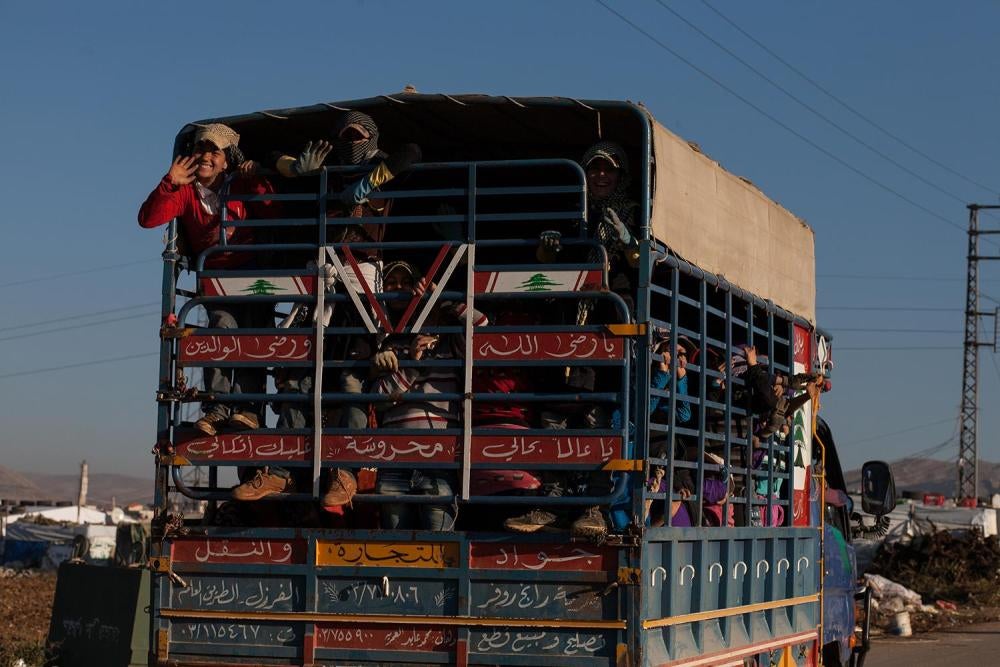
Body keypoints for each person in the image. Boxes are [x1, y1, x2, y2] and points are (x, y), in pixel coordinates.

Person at [138, 123, 278, 442]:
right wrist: (169, 183)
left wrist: (256, 178)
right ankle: (217, 406)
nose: (206, 156)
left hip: (252, 274)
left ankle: (249, 409)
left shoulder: (240, 185)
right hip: (216, 278)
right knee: (220, 330)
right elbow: (148, 219)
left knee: (254, 336)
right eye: (201, 149)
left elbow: (274, 211)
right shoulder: (186, 192)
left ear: (226, 160)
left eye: (214, 151)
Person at [369, 263, 487, 531]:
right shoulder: (394, 343)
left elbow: (483, 325)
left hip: (439, 458)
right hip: (394, 460)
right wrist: (411, 363)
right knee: (394, 550)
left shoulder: (452, 341)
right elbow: (378, 398)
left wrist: (442, 296)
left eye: (407, 283)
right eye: (391, 282)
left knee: (438, 548)